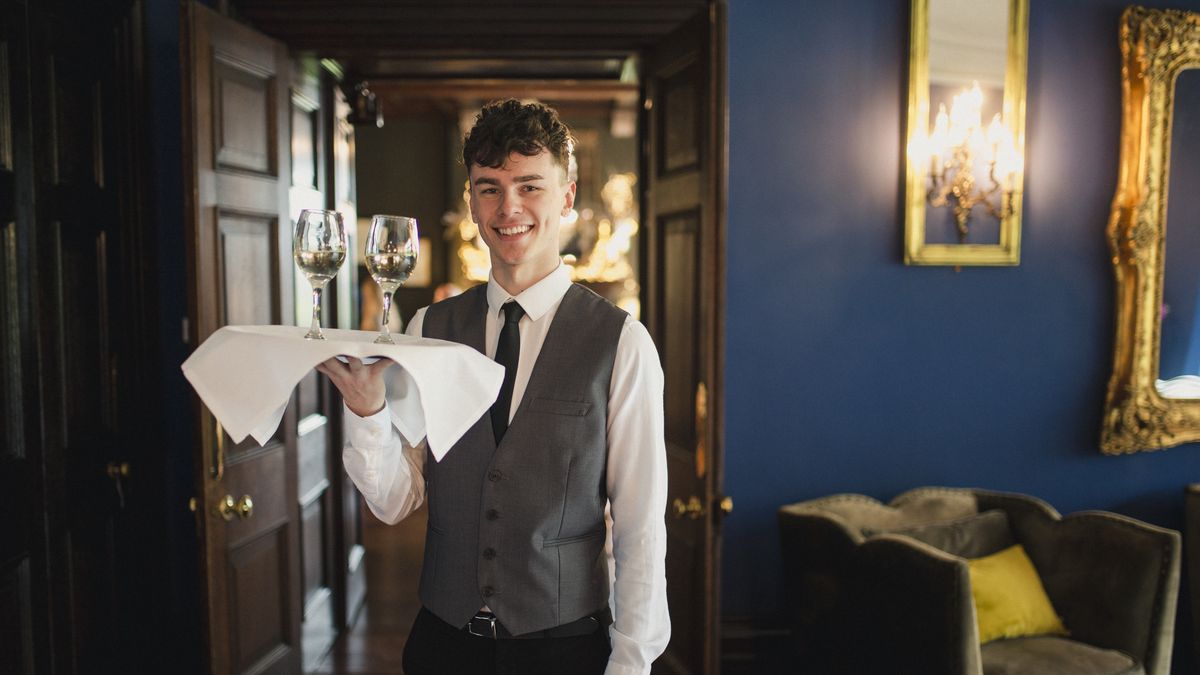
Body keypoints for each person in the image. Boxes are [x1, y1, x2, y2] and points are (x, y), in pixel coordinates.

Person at [316, 98, 669, 675]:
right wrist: (367, 411)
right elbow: (393, 500)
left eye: (530, 186)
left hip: (565, 649)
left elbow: (640, 527)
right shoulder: (429, 329)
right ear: (472, 200)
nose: (509, 208)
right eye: (489, 188)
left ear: (567, 196)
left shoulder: (622, 343)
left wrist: (631, 662)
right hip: (441, 646)